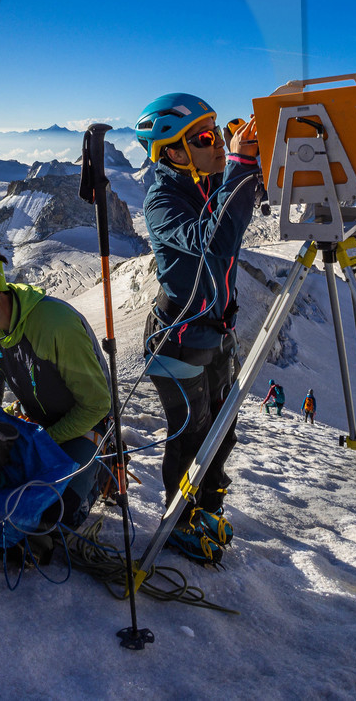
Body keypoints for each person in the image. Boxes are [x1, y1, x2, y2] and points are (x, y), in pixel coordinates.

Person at [136, 92, 259, 562]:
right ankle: (179, 519)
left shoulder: (207, 180)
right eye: (206, 139)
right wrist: (241, 165)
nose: (218, 146)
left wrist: (247, 167)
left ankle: (208, 508)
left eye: (218, 134)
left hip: (216, 333)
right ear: (172, 150)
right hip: (178, 340)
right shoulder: (162, 201)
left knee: (222, 431)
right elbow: (216, 241)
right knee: (191, 435)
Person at [0, 244, 113, 528]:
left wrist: (43, 440)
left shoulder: (55, 324)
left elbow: (96, 405)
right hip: (35, 420)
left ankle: (100, 472)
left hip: (86, 426)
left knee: (52, 518)